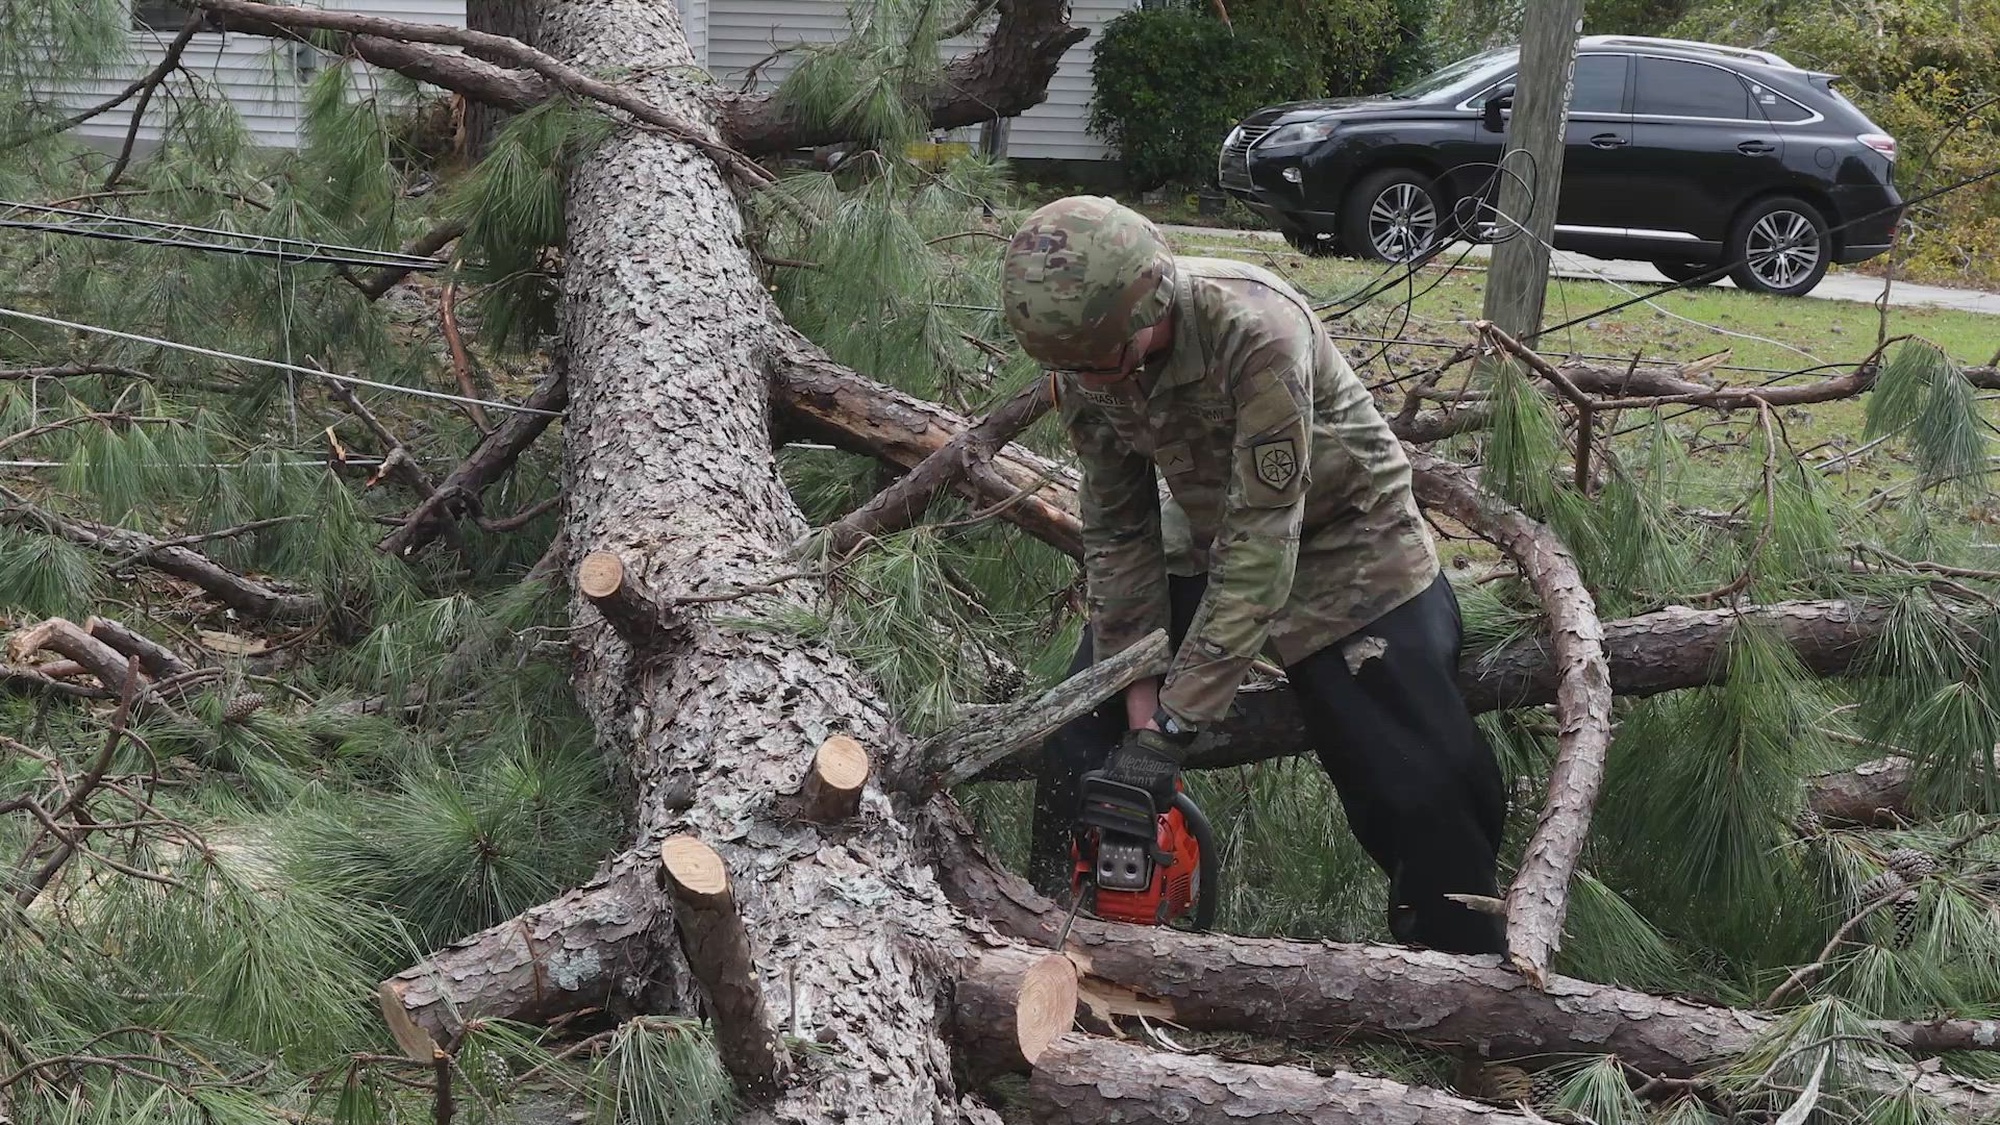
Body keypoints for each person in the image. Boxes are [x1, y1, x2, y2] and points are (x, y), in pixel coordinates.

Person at [999, 195, 1508, 955]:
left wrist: (1175, 727)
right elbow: (1118, 530)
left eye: (1098, 363)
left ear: (1147, 309)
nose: (1087, 384)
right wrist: (1139, 705)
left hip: (1348, 534)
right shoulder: (1083, 363)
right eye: (1071, 369)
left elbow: (1265, 545)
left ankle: (1472, 993)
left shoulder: (1256, 331)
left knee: (1420, 775)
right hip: (1204, 524)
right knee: (1082, 737)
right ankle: (1067, 940)